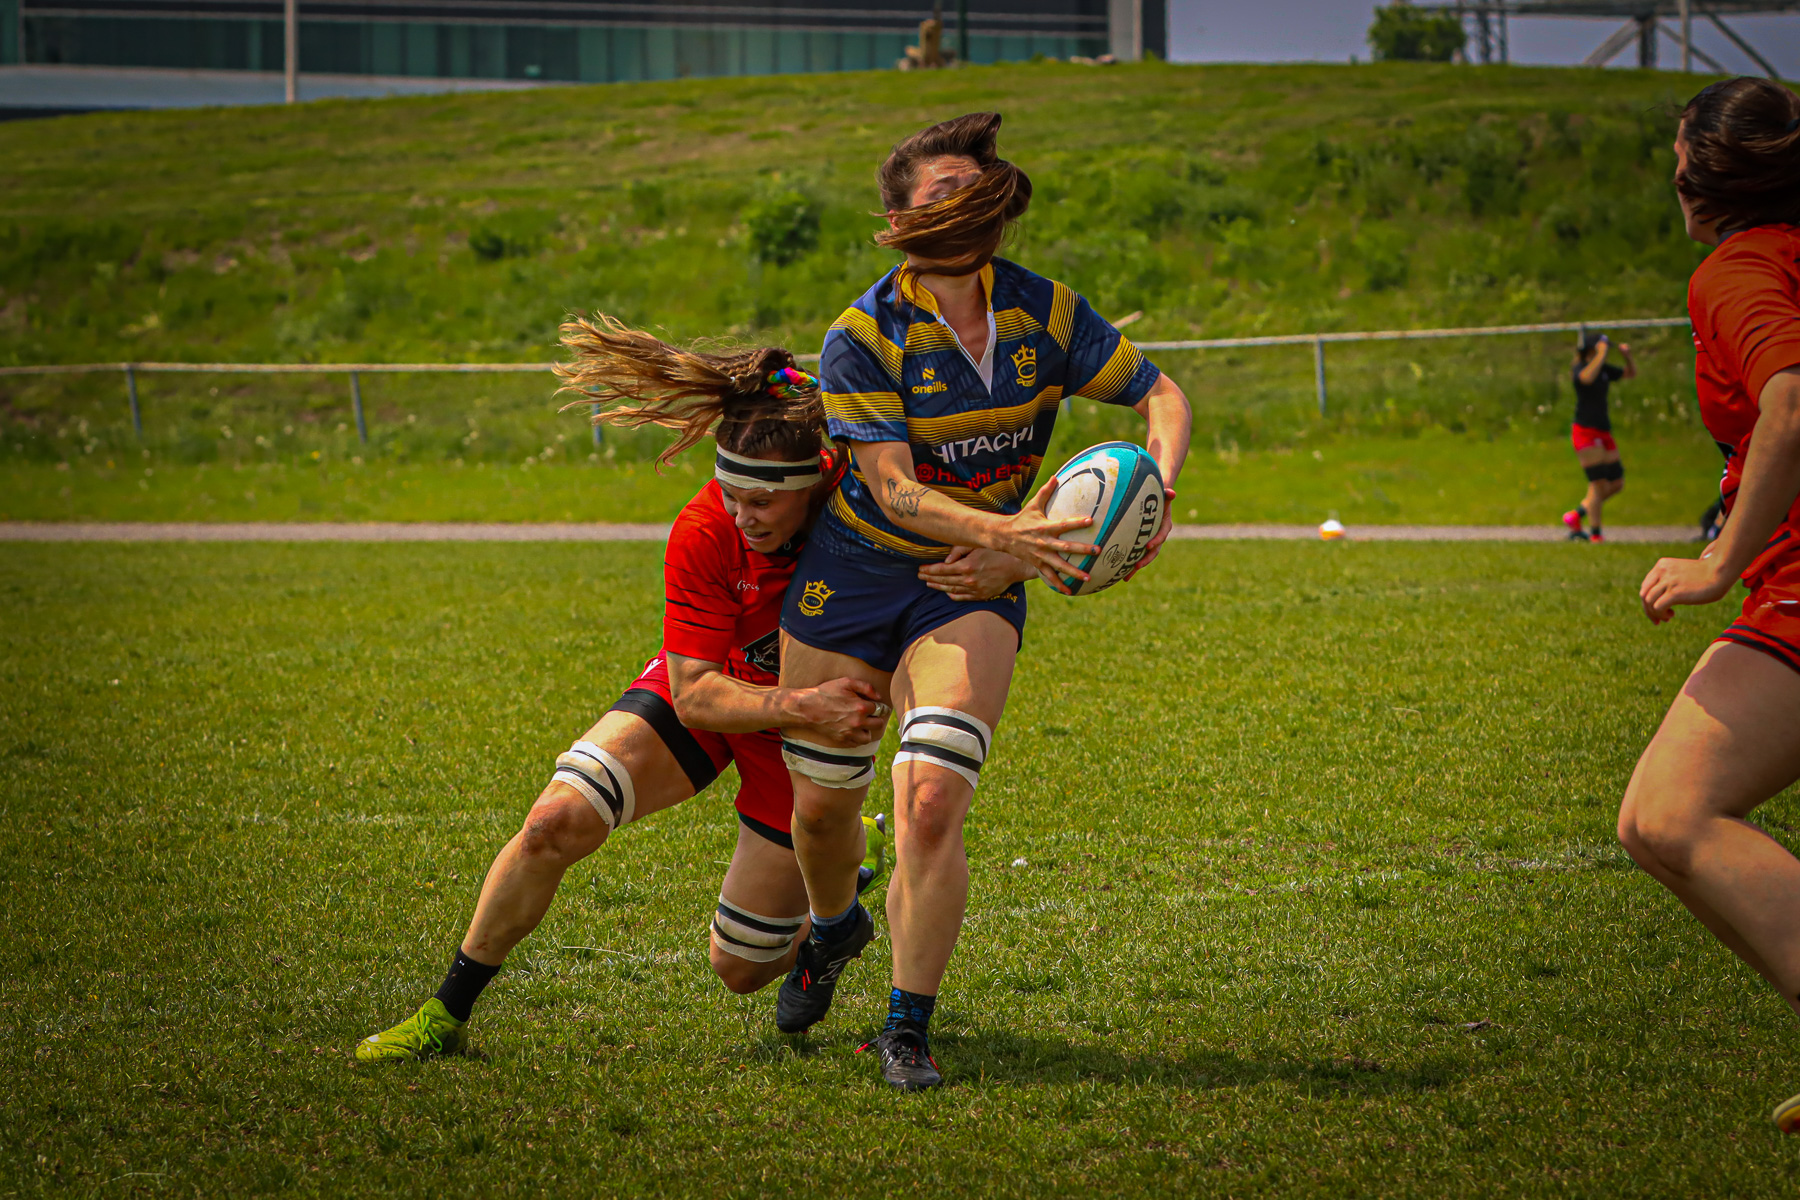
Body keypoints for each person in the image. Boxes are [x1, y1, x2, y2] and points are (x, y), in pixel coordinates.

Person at [771, 112, 1193, 1091]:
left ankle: (906, 1027)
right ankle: (834, 926)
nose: (958, 204)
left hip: (968, 590)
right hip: (855, 575)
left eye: (973, 186)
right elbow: (891, 488)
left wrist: (1155, 489)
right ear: (898, 219)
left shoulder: (1046, 314)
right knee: (824, 813)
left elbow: (1162, 396)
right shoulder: (861, 333)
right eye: (935, 194)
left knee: (927, 799)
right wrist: (1013, 534)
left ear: (1000, 200)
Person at [355, 316, 890, 1061]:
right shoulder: (706, 530)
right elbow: (697, 695)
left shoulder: (861, 512)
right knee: (554, 820)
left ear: (813, 485)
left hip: (802, 736)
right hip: (723, 691)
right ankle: (444, 1015)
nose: (743, 515)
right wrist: (799, 703)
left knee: (739, 969)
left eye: (762, 502)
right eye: (731, 492)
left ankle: (834, 888)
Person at [1614, 77, 1800, 1135]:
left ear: (1701, 169)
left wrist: (1720, 560)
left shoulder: (1737, 268)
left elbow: (1790, 400)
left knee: (1666, 813)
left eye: (1677, 147)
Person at [1561, 331, 1637, 543]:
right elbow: (1585, 378)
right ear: (1591, 348)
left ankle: (1577, 514)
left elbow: (1630, 374)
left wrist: (1627, 357)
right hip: (1585, 431)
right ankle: (1595, 534)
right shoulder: (1581, 369)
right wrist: (1600, 356)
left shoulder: (1603, 368)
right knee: (1597, 484)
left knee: (1616, 483)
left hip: (1603, 429)